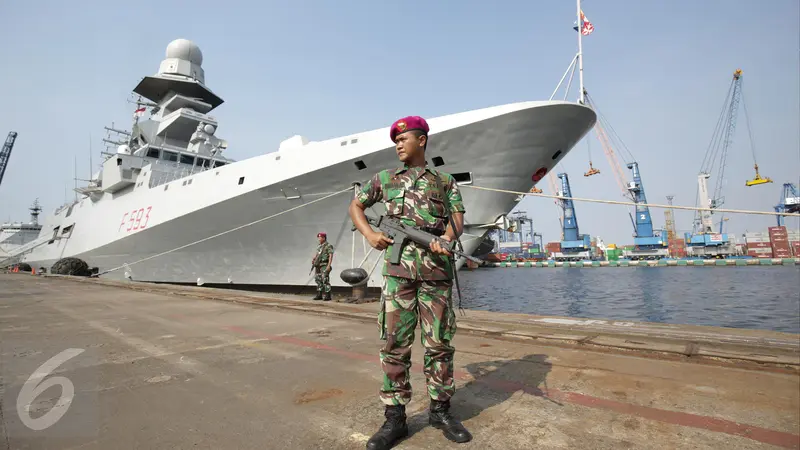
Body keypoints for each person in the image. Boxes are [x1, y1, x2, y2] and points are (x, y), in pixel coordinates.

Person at [349, 115, 472, 449]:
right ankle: (395, 418)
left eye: (405, 139)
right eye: (396, 141)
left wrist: (445, 237)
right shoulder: (385, 179)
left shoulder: (443, 181)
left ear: (422, 141)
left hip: (436, 274)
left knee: (439, 344)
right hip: (398, 274)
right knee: (394, 345)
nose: (398, 144)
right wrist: (371, 234)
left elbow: (457, 218)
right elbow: (356, 206)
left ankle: (441, 410)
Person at [312, 232, 334, 301]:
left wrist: (328, 265)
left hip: (324, 264)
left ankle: (328, 295)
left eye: (320, 237)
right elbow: (317, 254)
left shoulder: (328, 246)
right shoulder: (319, 246)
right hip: (318, 265)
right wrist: (314, 259)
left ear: (324, 238)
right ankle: (319, 294)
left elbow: (330, 256)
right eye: (318, 237)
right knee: (318, 279)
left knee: (325, 279)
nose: (319, 239)